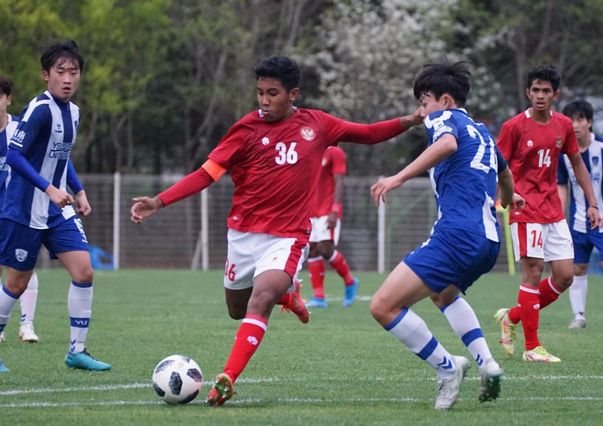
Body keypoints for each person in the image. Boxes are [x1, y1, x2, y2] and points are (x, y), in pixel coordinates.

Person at [130, 55, 422, 407]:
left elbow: (370, 133)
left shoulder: (318, 125)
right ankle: (289, 294)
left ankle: (227, 378)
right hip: (242, 236)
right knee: (237, 310)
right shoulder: (244, 130)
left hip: (288, 237)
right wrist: (159, 202)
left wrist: (412, 119)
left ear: (293, 94)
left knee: (260, 298)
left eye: (272, 93)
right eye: (259, 93)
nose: (264, 101)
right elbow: (206, 174)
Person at [370, 61, 524, 409]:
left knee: (383, 306)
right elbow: (505, 172)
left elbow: (447, 146)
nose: (420, 110)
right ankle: (488, 363)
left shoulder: (445, 120)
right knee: (443, 293)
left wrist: (397, 178)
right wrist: (510, 197)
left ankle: (447, 367)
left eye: (424, 102)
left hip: (457, 234)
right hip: (489, 241)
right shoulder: (482, 130)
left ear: (445, 100)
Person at [0, 40, 111, 372]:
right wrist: (49, 188)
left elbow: (60, 155)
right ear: (45, 75)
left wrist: (79, 191)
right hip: (24, 207)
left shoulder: (73, 112)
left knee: (84, 271)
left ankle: (76, 351)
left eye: (73, 72)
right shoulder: (39, 109)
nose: (67, 78)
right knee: (17, 283)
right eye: (60, 72)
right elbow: (15, 156)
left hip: (56, 208)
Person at [495, 65, 600, 363]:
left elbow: (577, 164)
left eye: (546, 91)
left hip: (553, 210)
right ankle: (532, 348)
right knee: (533, 271)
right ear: (527, 92)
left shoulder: (564, 125)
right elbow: (497, 165)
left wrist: (592, 202)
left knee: (566, 276)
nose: (540, 96)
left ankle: (512, 316)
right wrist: (502, 196)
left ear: (556, 94)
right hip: (524, 208)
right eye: (535, 90)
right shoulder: (513, 126)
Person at [558, 100, 603, 329]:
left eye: (580, 119)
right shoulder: (563, 153)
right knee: (577, 268)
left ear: (589, 122)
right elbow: (562, 186)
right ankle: (578, 316)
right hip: (577, 220)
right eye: (571, 120)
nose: (575, 125)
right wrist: (560, 216)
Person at [0, 76, 41, 346]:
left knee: (25, 265)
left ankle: (27, 324)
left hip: (15, 208)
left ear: (8, 99)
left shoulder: (18, 130)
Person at [305, 145, 359, 309]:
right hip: (310, 210)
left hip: (327, 210)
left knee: (324, 249)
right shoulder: (310, 149)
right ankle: (319, 297)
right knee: (312, 250)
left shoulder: (335, 152)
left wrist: (335, 209)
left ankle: (350, 281)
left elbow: (339, 181)